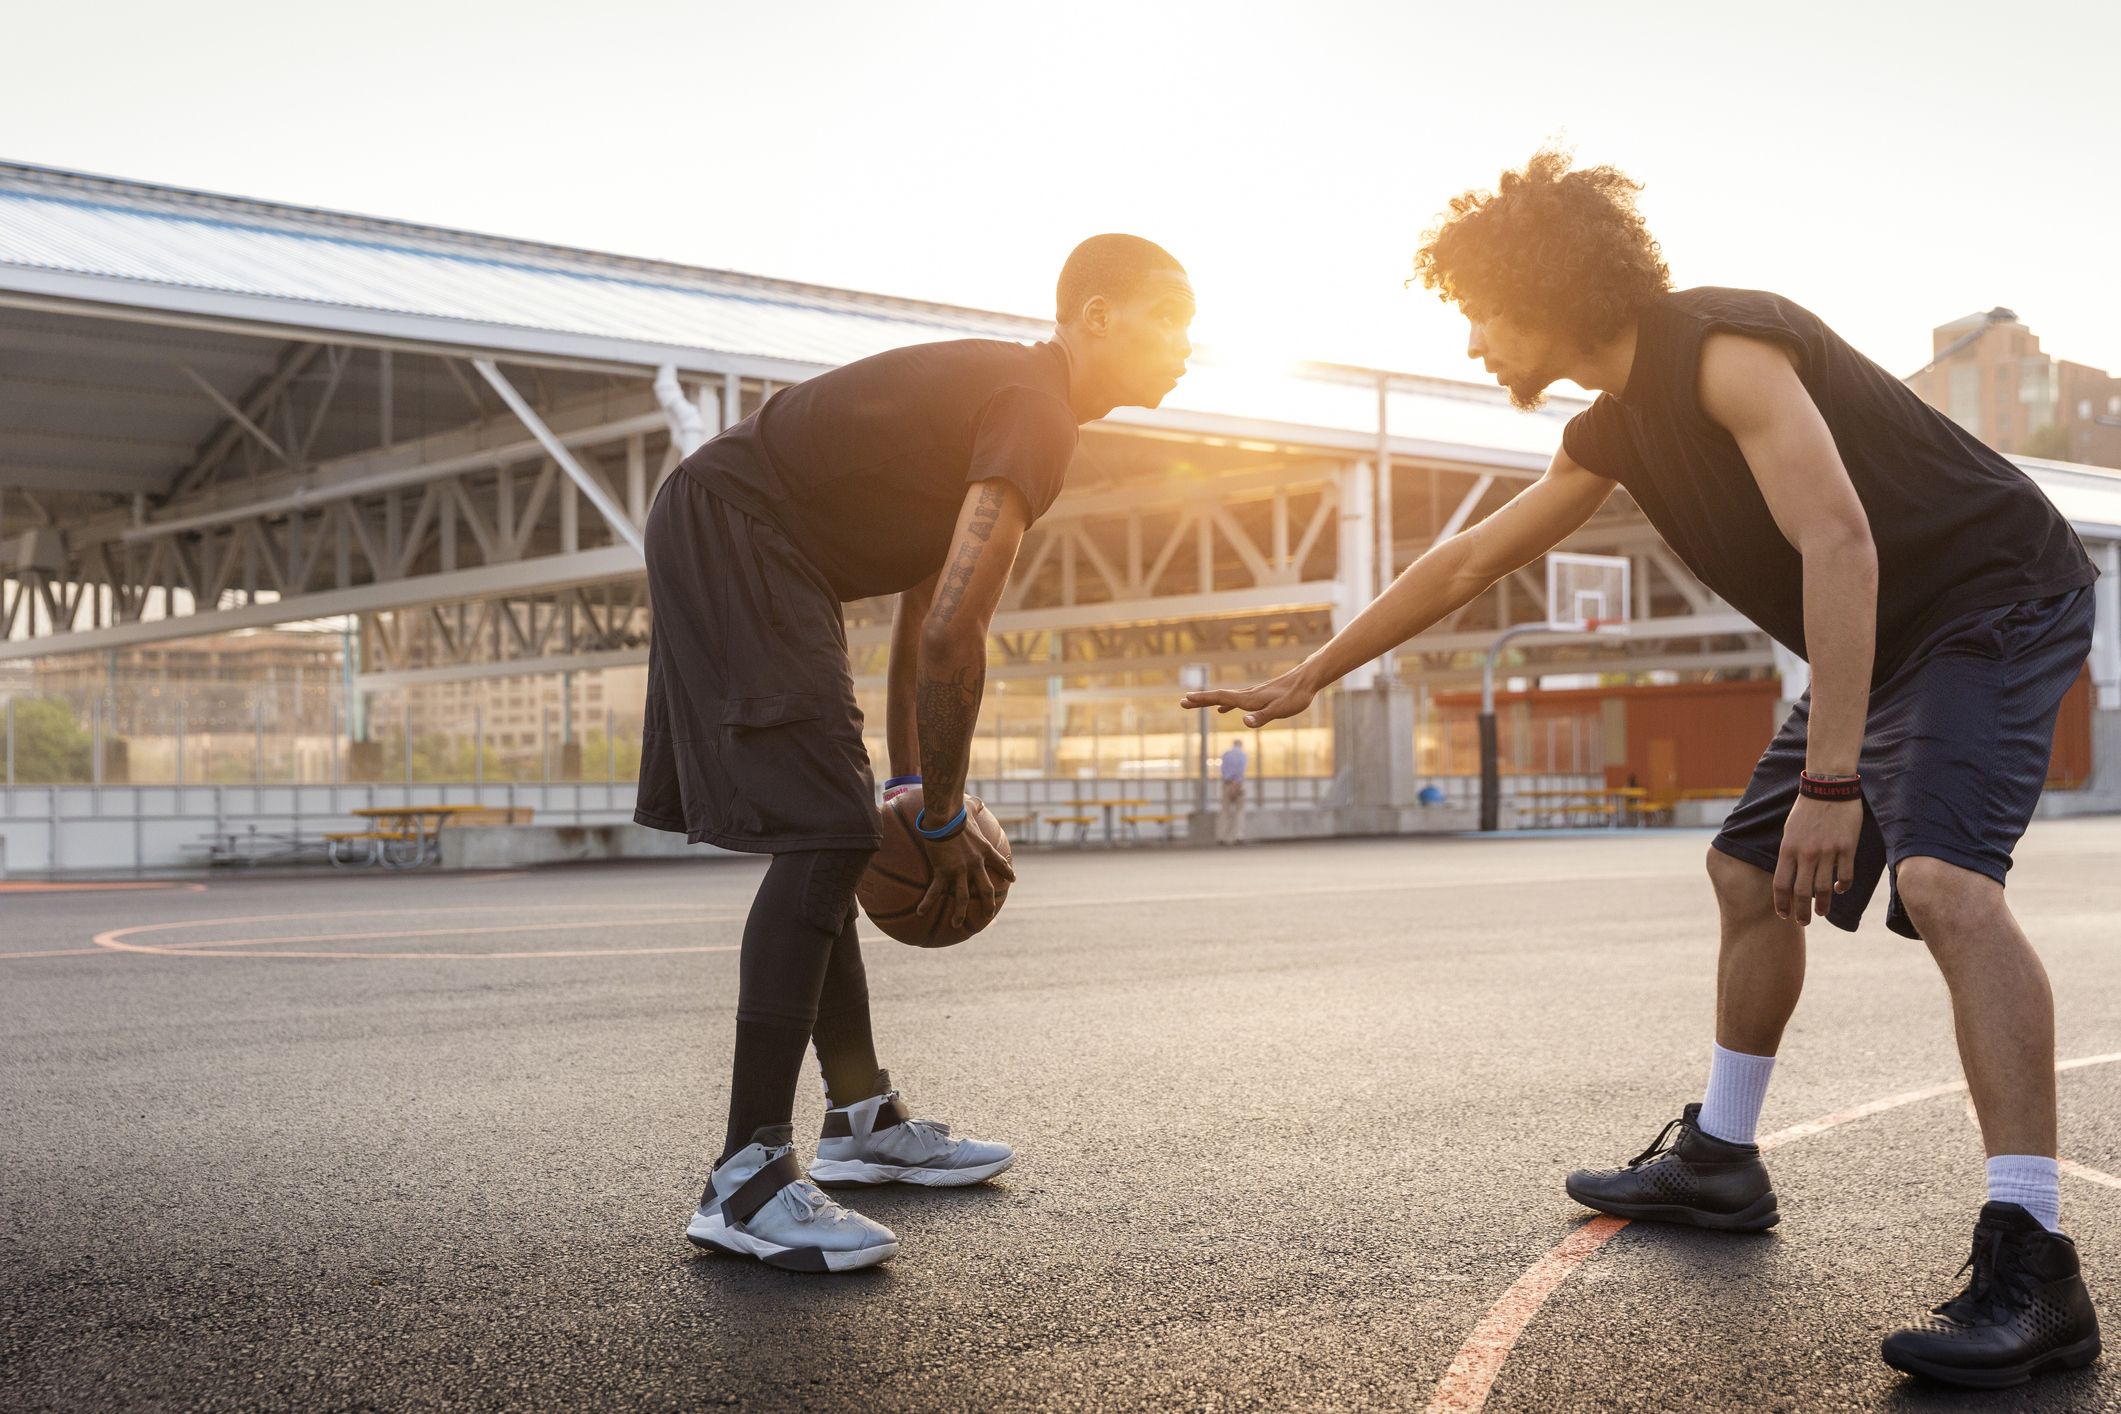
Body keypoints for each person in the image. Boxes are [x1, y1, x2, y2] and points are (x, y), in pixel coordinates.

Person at [1182, 152, 2100, 1386]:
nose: (1470, 337)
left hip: (1993, 598)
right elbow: (1462, 567)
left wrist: (1833, 782)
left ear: (1547, 288)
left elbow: (1839, 537)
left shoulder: (1723, 350)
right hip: (1883, 635)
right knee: (1741, 872)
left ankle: (2036, 1260)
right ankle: (1723, 1158)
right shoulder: (1612, 427)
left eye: (1480, 307)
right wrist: (1313, 672)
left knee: (1943, 884)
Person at [636, 235, 1195, 1273]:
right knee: (827, 832)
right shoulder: (1034, 405)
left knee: (839, 828)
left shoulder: (1015, 399)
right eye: (1175, 319)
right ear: (1101, 316)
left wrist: (905, 782)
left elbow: (919, 620)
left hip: (748, 532)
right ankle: (745, 1177)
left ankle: (859, 1121)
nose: (1190, 347)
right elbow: (953, 634)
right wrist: (936, 814)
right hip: (740, 529)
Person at [1217, 740, 1249, 845]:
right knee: (1240, 811)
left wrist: (1229, 783)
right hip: (1239, 785)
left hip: (1226, 784)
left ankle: (1222, 836)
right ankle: (1239, 835)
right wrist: (1236, 784)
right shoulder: (1242, 755)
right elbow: (1241, 770)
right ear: (1241, 745)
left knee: (1224, 811)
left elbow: (1222, 769)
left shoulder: (1226, 755)